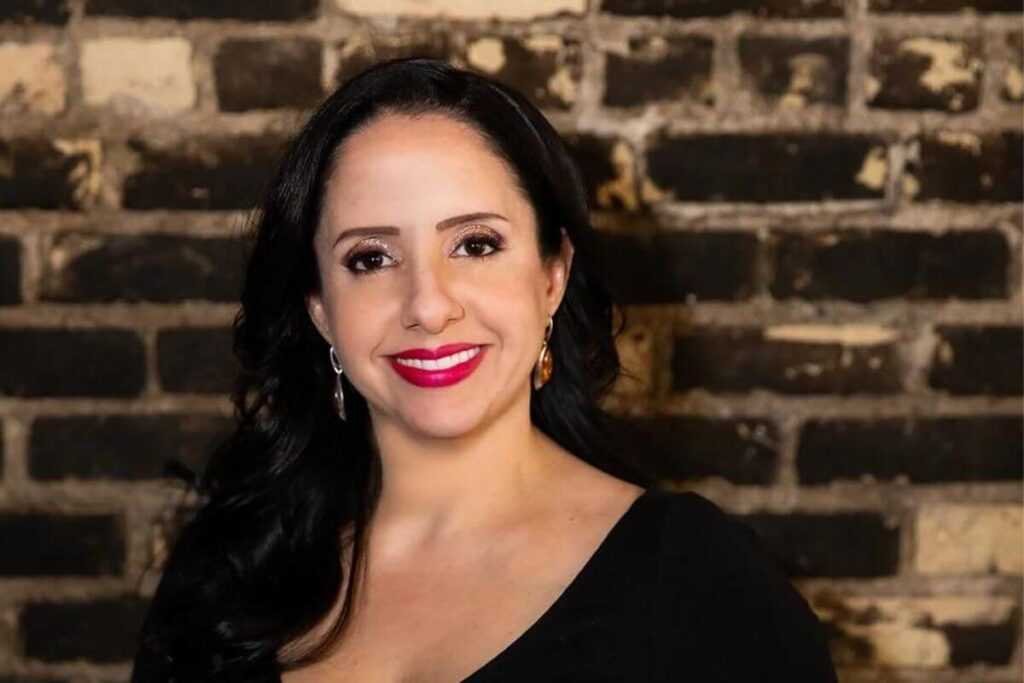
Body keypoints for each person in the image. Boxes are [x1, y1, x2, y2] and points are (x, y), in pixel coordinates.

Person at [131, 57, 837, 682]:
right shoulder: (229, 564)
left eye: (475, 244)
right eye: (371, 258)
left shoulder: (696, 580)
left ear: (553, 275)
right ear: (320, 308)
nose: (429, 305)